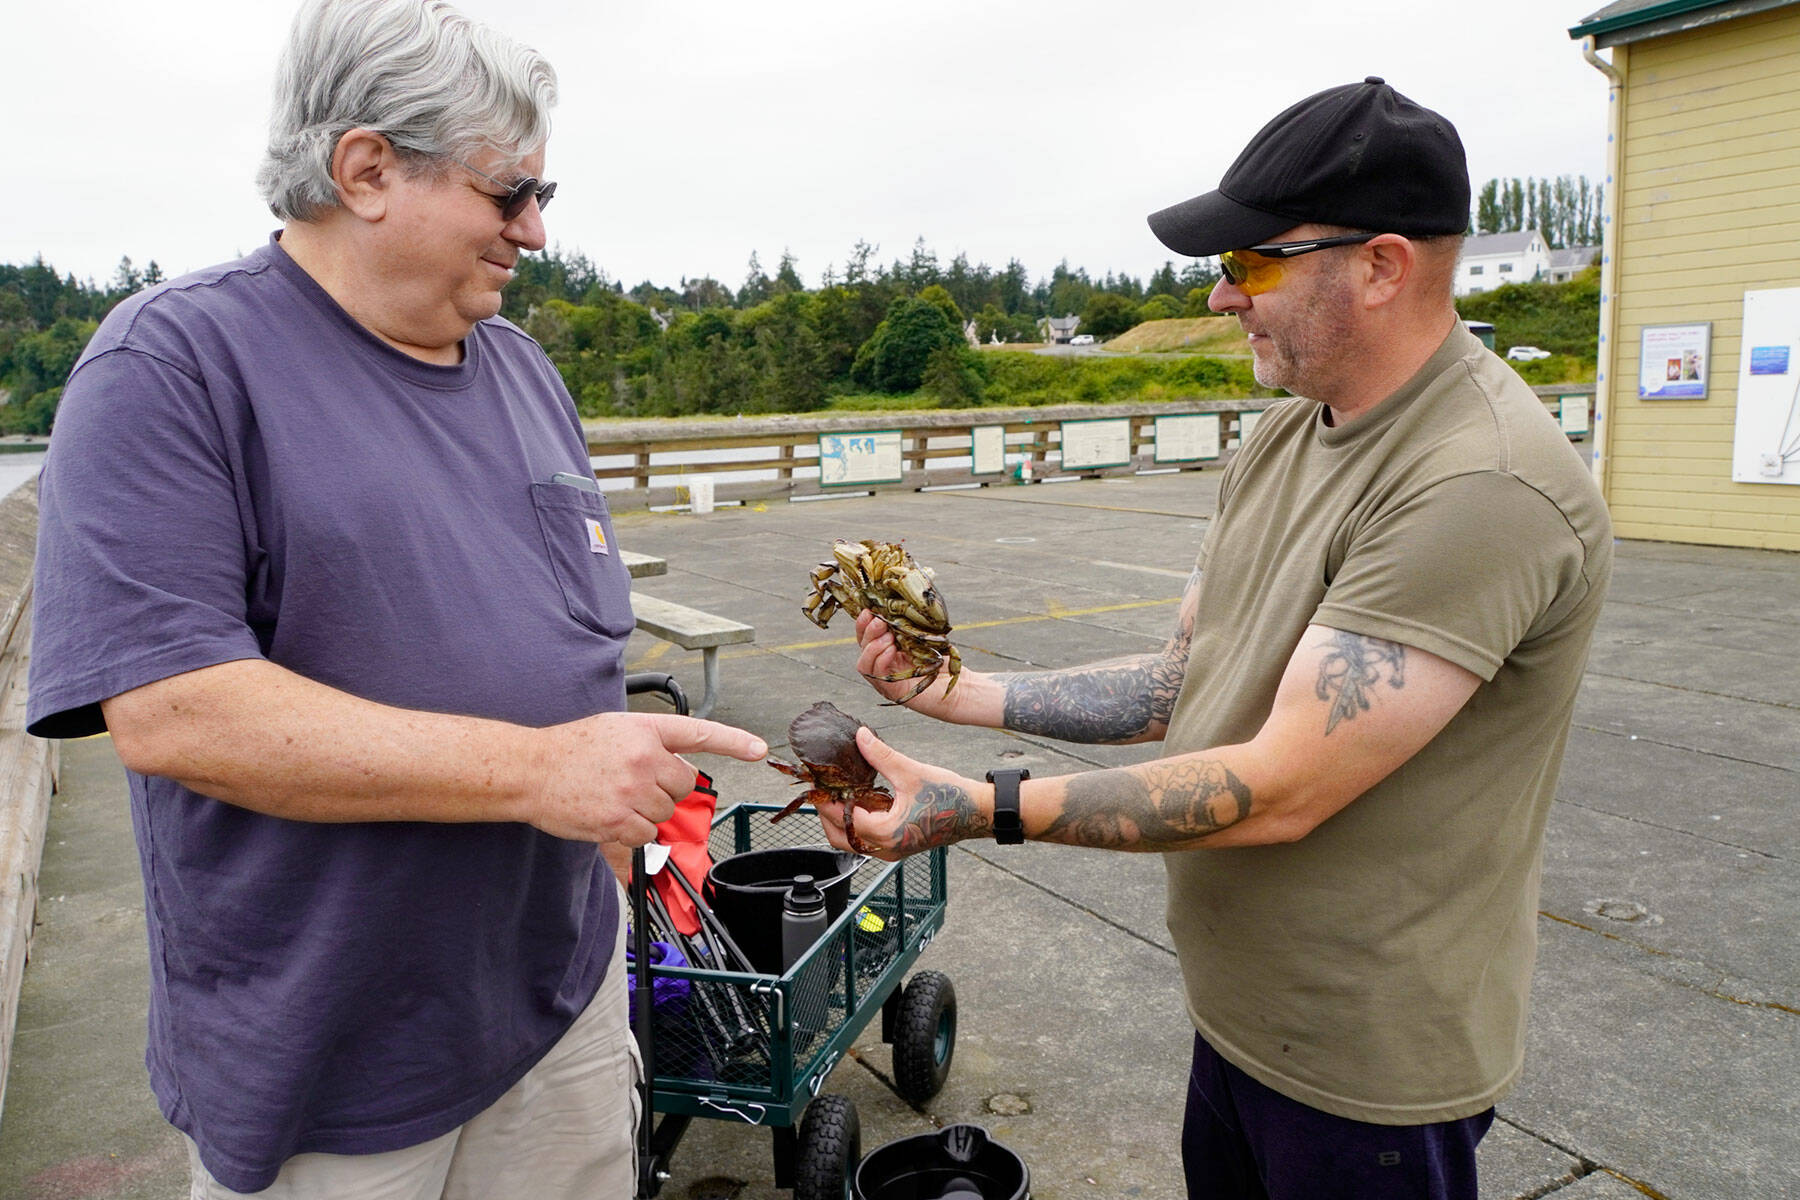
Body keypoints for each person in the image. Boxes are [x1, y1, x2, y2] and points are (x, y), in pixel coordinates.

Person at [817, 78, 1612, 1200]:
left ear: (1382, 266)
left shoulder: (1478, 482)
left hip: (1365, 1059)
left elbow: (1285, 785)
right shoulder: (1288, 436)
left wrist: (984, 805)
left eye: (1250, 263)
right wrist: (962, 693)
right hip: (1243, 1020)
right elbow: (1187, 681)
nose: (1223, 296)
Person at [26, 1, 767, 1194]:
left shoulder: (524, 370)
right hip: (332, 1068)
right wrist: (539, 770)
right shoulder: (170, 366)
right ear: (367, 169)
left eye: (545, 196)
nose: (533, 231)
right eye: (507, 192)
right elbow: (172, 713)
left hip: (556, 1001)